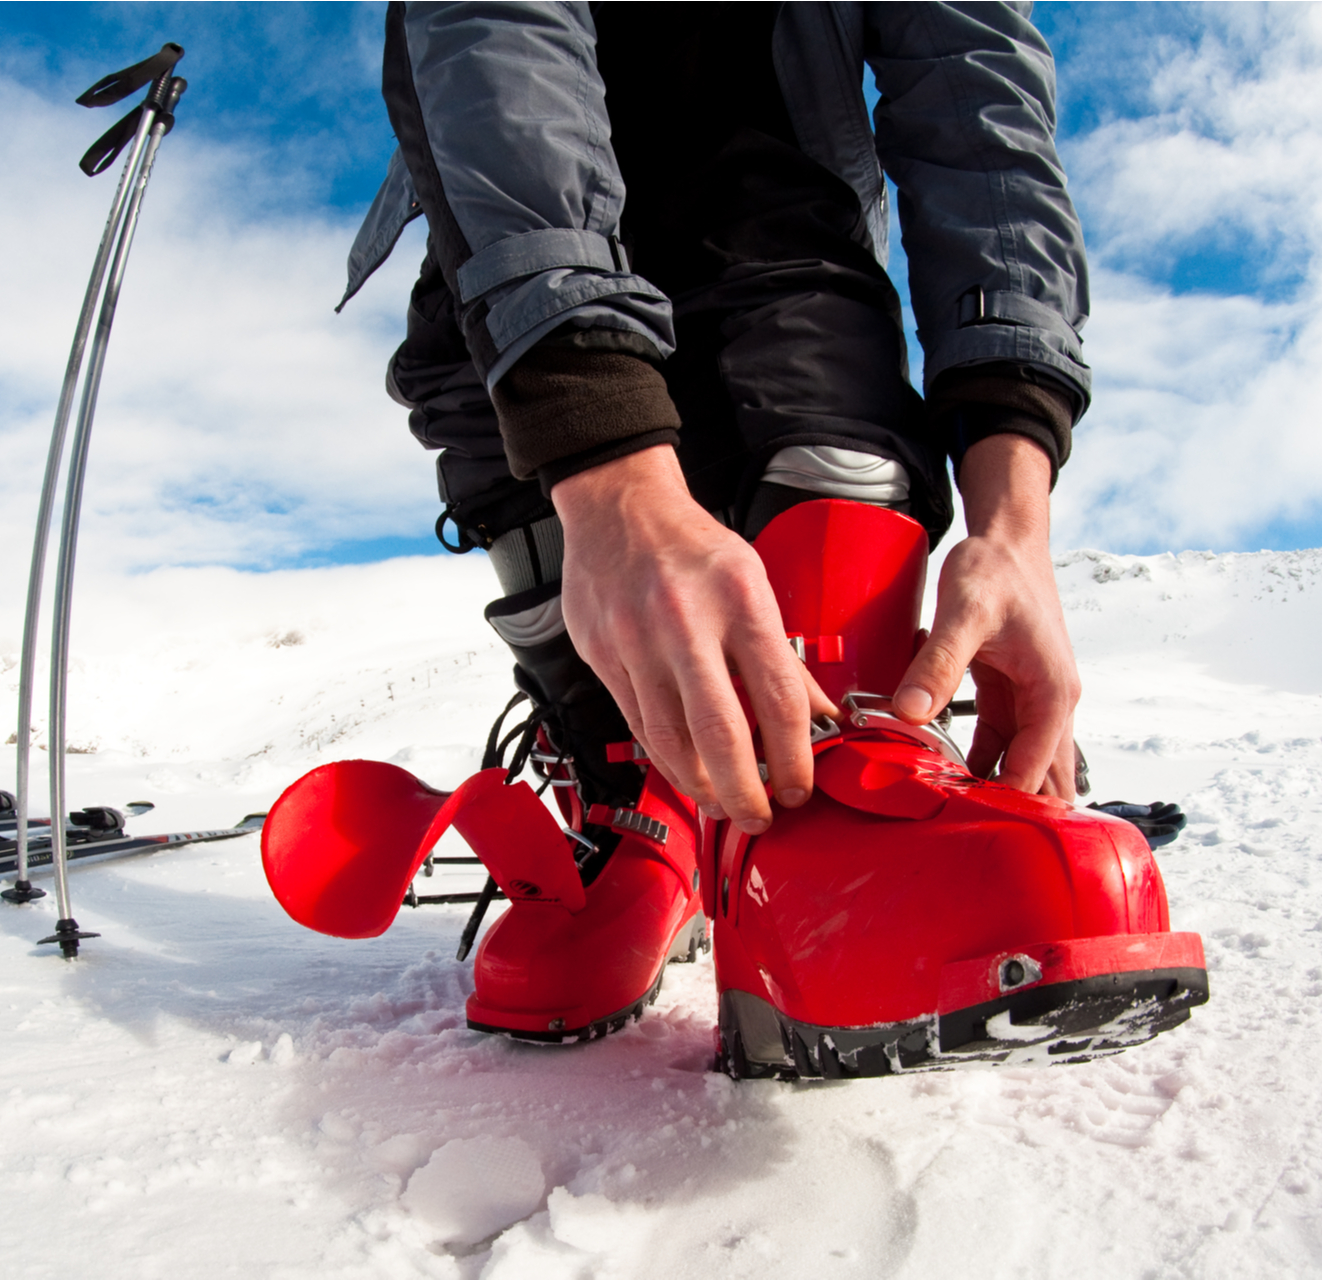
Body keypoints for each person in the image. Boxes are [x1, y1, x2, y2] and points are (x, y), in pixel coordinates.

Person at [339, 2, 1089, 850]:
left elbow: (975, 93)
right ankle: (628, 805)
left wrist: (1013, 522)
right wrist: (606, 464)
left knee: (832, 467)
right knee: (521, 485)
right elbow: (491, 35)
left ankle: (842, 830)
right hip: (511, 225)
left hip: (773, 213)